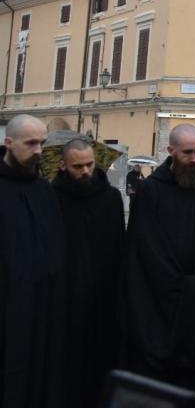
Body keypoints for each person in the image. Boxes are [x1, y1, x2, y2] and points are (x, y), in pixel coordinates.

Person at [121, 124, 195, 407]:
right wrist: (178, 284)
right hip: (159, 306)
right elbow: (146, 247)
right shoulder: (150, 192)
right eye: (188, 152)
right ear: (171, 151)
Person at [53, 137, 125, 408]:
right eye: (78, 166)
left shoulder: (110, 198)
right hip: (65, 303)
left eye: (90, 165)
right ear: (63, 166)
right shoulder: (53, 197)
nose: (85, 171)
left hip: (104, 302)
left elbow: (119, 246)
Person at [0, 114, 66, 408]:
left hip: (39, 316)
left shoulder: (45, 192)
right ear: (9, 143)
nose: (39, 150)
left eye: (42, 142)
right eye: (31, 143)